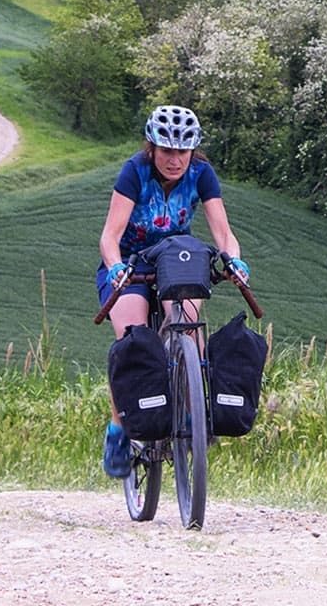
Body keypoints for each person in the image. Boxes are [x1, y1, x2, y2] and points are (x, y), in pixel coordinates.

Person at [96, 104, 248, 479]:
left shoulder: (202, 174)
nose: (175, 160)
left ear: (193, 151)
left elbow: (223, 232)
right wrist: (116, 268)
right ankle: (119, 429)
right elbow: (109, 237)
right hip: (131, 263)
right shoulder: (135, 171)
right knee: (132, 342)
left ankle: (191, 409)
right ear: (152, 148)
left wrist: (234, 259)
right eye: (166, 151)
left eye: (182, 151)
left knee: (188, 323)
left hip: (178, 258)